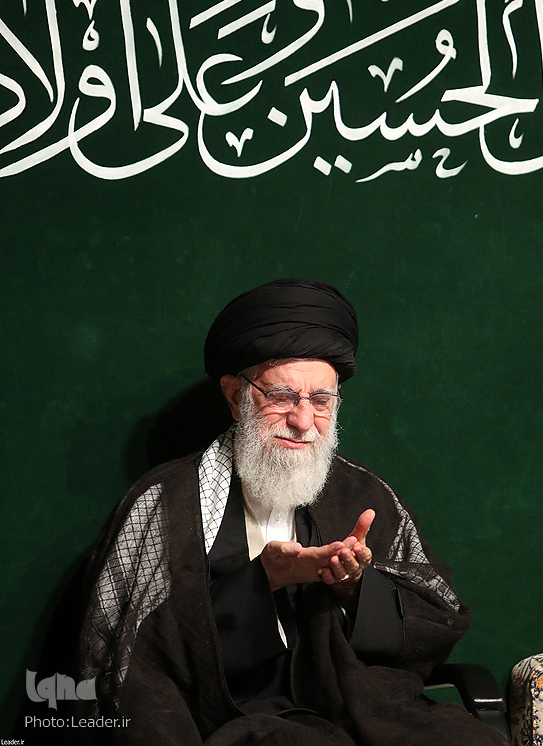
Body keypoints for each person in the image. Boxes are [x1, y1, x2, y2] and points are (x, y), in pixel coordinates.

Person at [74, 279, 506, 745]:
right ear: (234, 396)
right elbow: (132, 657)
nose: (303, 421)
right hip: (223, 723)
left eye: (321, 401)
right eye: (281, 396)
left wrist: (354, 588)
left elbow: (438, 618)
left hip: (359, 709)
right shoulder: (164, 502)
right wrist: (262, 582)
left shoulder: (364, 491)